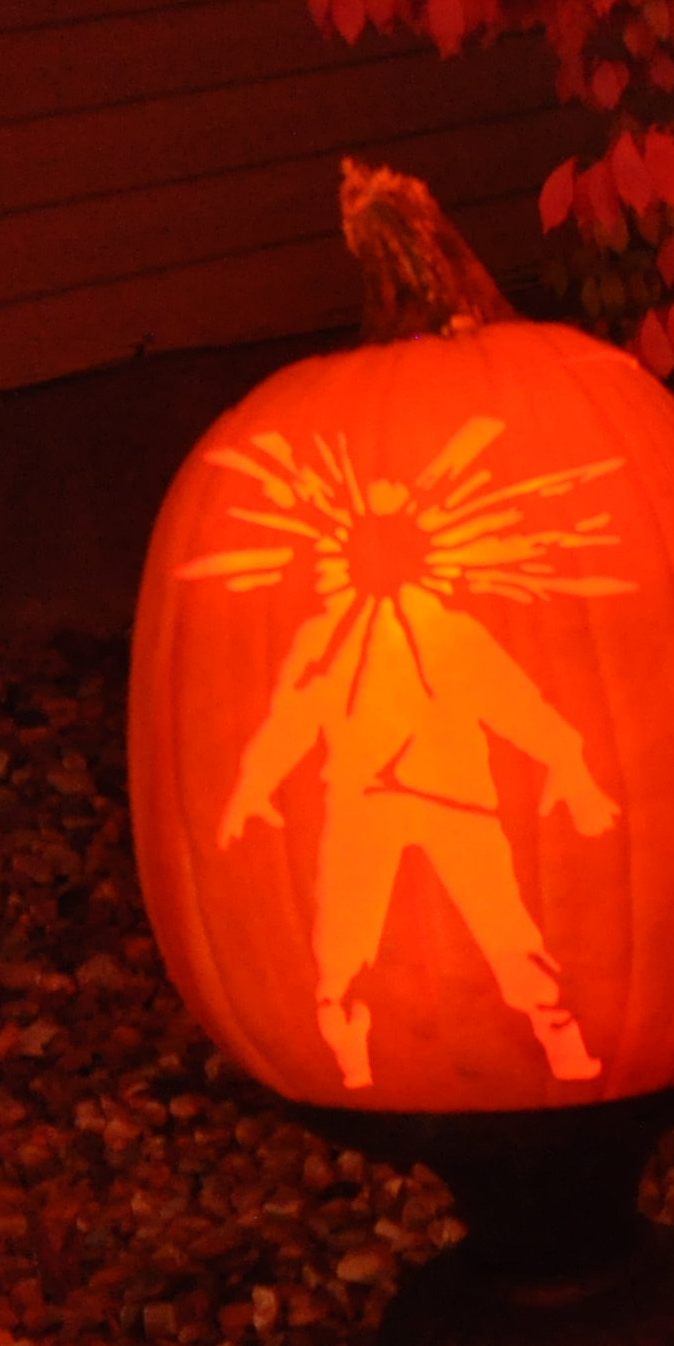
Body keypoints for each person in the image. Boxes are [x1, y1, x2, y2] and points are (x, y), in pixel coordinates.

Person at [187, 414, 630, 1092]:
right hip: (363, 802)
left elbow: (517, 706)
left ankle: (555, 1029)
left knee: (506, 930)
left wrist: (570, 765)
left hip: (454, 797)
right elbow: (290, 722)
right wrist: (253, 784)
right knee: (344, 942)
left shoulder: (454, 636)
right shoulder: (323, 643)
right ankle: (345, 1045)